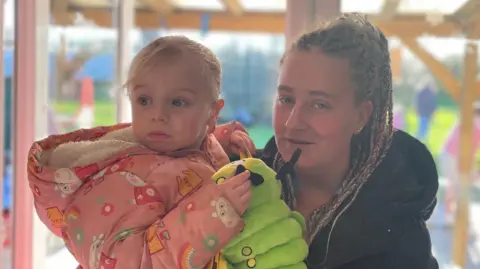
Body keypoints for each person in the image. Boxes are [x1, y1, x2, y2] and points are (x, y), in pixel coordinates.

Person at [218, 14, 439, 269]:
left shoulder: (400, 240)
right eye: (286, 99)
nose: (292, 123)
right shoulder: (237, 181)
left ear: (361, 116)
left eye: (319, 104)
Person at [27, 36, 256, 269]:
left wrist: (229, 143)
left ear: (212, 114)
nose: (158, 115)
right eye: (144, 100)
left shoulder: (191, 146)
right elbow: (130, 263)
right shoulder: (121, 179)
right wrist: (215, 213)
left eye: (177, 102)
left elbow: (200, 155)